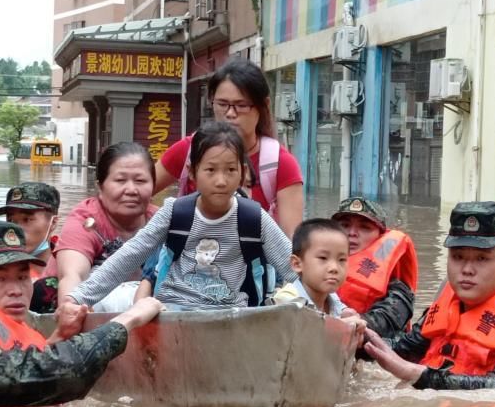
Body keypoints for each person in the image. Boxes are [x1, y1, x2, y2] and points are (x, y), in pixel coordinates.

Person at [0, 218, 163, 407]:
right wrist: (126, 320)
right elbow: (47, 377)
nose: (17, 289)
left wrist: (59, 337)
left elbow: (22, 365)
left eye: (21, 276)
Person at [61, 121, 296, 313]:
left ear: (243, 173)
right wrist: (77, 298)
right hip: (171, 314)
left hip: (232, 320)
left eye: (231, 170)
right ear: (193, 172)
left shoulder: (254, 217)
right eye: (211, 170)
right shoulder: (175, 212)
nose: (221, 180)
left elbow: (293, 268)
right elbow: (128, 257)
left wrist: (331, 305)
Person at [362, 202, 495, 390]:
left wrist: (419, 375)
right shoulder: (447, 305)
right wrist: (359, 336)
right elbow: (404, 348)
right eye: (458, 257)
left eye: (482, 259)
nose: (467, 269)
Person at [154, 57, 305, 237]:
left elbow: (293, 240)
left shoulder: (279, 163)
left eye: (241, 105)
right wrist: (161, 223)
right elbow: (137, 193)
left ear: (263, 106)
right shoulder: (189, 150)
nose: (230, 114)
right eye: (222, 104)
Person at [30, 142, 158, 315]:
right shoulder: (85, 221)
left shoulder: (162, 220)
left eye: (140, 181)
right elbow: (73, 275)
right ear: (100, 187)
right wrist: (72, 312)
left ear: (153, 185)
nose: (131, 190)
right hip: (84, 305)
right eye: (120, 180)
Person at [332, 196, 418, 336]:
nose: (352, 233)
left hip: (366, 351)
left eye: (364, 227)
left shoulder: (398, 288)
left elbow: (388, 319)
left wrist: (359, 322)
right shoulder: (317, 268)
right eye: (345, 225)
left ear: (380, 236)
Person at [0, 181, 60, 280]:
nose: (16, 229)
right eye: (11, 220)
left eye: (27, 219)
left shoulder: (73, 265)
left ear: (53, 223)